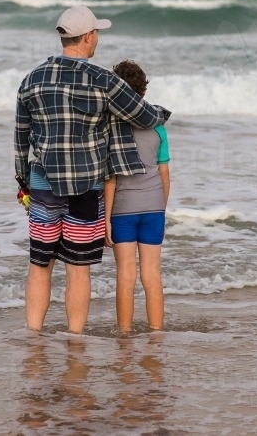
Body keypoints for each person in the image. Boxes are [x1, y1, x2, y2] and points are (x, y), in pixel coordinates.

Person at [14, 5, 164, 334]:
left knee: (40, 264)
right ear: (89, 36)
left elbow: (20, 140)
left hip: (42, 184)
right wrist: (160, 114)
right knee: (77, 268)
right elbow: (144, 116)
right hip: (86, 187)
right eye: (97, 33)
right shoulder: (103, 80)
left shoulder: (31, 80)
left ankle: (33, 338)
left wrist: (23, 182)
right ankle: (75, 340)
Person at [103, 60, 171, 333]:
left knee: (126, 275)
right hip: (154, 206)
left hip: (122, 210)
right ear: (143, 92)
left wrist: (105, 219)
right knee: (152, 275)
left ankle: (125, 335)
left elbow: (111, 178)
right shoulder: (158, 125)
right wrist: (160, 207)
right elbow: (165, 173)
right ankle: (156, 334)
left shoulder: (112, 128)